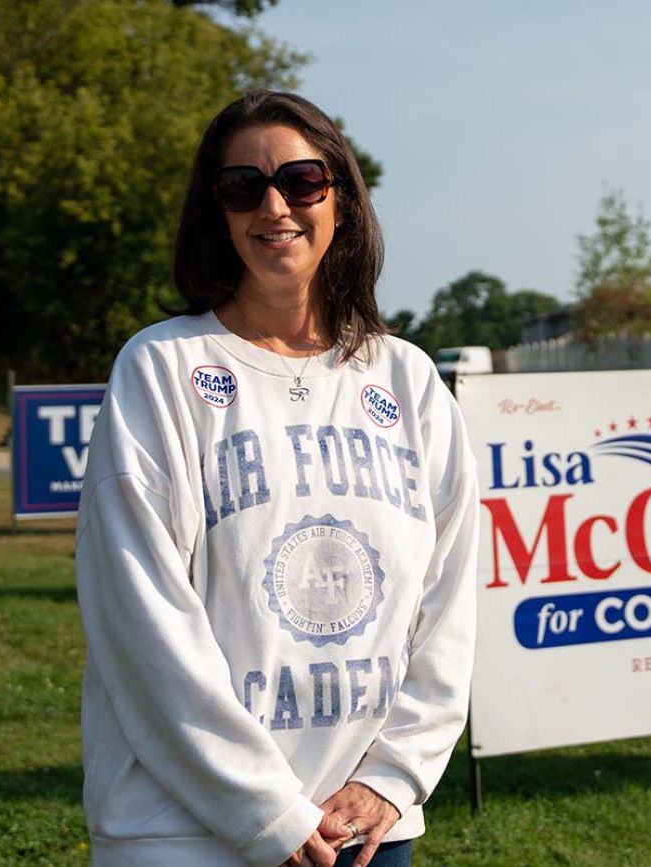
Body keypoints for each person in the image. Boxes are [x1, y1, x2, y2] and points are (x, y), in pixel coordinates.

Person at [75, 91, 479, 867]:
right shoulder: (163, 367)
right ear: (216, 211)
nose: (274, 205)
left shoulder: (407, 377)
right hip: (181, 830)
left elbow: (449, 595)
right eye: (242, 186)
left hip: (364, 828)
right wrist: (263, 806)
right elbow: (139, 613)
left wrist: (395, 778)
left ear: (342, 201)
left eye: (301, 180)